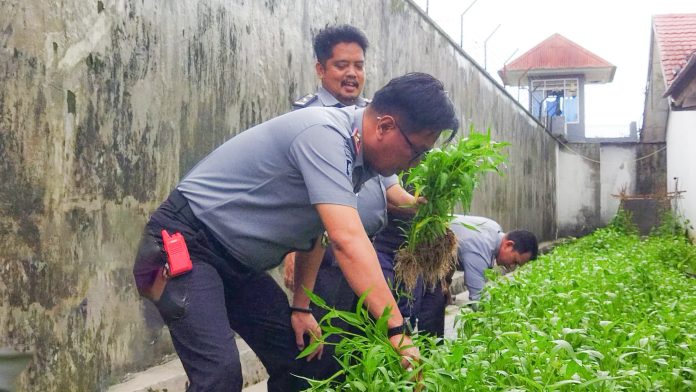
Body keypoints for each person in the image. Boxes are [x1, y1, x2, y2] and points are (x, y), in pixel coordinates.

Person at [132, 72, 459, 392]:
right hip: (183, 242)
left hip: (236, 263)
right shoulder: (325, 135)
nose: (416, 163)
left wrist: (301, 307)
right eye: (417, 150)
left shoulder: (357, 158)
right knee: (219, 375)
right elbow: (347, 240)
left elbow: (315, 231)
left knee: (304, 357)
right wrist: (397, 329)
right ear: (385, 126)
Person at [451, 215, 539, 302]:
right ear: (509, 245)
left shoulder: (494, 227)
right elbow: (478, 298)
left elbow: (454, 252)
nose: (512, 266)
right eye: (515, 261)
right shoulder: (481, 249)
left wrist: (446, 283)